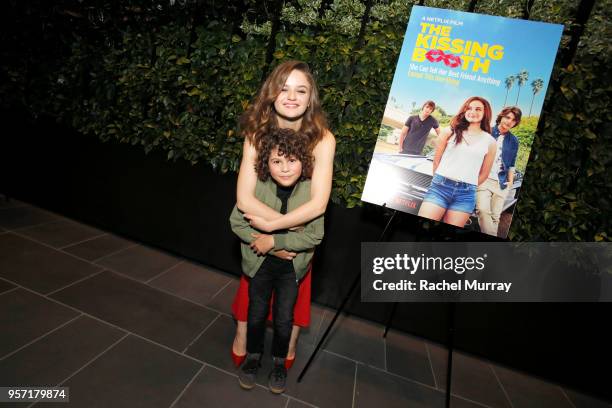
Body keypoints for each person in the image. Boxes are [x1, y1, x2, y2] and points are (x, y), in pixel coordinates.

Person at [231, 60, 335, 370]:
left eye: (300, 90)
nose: (292, 96)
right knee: (252, 277)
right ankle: (242, 333)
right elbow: (243, 199)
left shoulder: (323, 139)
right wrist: (275, 239)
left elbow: (317, 206)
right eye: (284, 88)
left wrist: (276, 230)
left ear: (310, 97)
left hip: (296, 228)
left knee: (298, 283)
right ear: (272, 93)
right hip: (262, 220)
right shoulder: (256, 133)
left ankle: (288, 343)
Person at [229, 128, 324, 394]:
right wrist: (271, 248)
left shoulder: (310, 191)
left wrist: (276, 241)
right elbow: (237, 222)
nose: (284, 168)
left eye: (292, 160)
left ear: (303, 161)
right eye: (277, 161)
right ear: (265, 163)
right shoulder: (257, 186)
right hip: (260, 264)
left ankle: (279, 363)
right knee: (256, 314)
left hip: (291, 270)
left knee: (284, 318)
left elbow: (314, 235)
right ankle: (253, 358)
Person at [418, 96, 496, 227]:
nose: (473, 112)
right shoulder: (449, 131)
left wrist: (469, 185)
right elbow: (437, 160)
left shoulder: (490, 142)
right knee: (424, 227)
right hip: (439, 188)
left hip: (465, 195)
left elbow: (484, 173)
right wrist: (438, 178)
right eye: (469, 108)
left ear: (485, 113)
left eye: (478, 109)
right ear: (464, 111)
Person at [476, 106, 522, 236]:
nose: (509, 121)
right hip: (484, 179)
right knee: (483, 210)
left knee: (495, 217)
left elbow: (512, 163)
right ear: (501, 116)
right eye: (507, 117)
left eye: (513, 120)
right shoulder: (486, 131)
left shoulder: (514, 141)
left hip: (502, 183)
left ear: (515, 123)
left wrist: (510, 182)